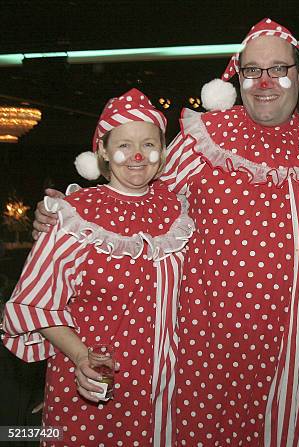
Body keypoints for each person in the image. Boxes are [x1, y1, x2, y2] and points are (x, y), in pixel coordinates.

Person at [34, 19, 299, 445]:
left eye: (277, 68)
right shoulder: (202, 139)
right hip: (198, 353)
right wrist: (70, 218)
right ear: (237, 75)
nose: (264, 82)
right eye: (251, 70)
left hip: (292, 360)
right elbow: (135, 201)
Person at [4, 89, 194, 446]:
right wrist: (80, 357)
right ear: (103, 151)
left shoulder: (180, 212)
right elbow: (35, 303)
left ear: (163, 150)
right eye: (124, 145)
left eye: (149, 143)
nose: (137, 155)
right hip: (90, 383)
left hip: (163, 390)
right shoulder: (75, 213)